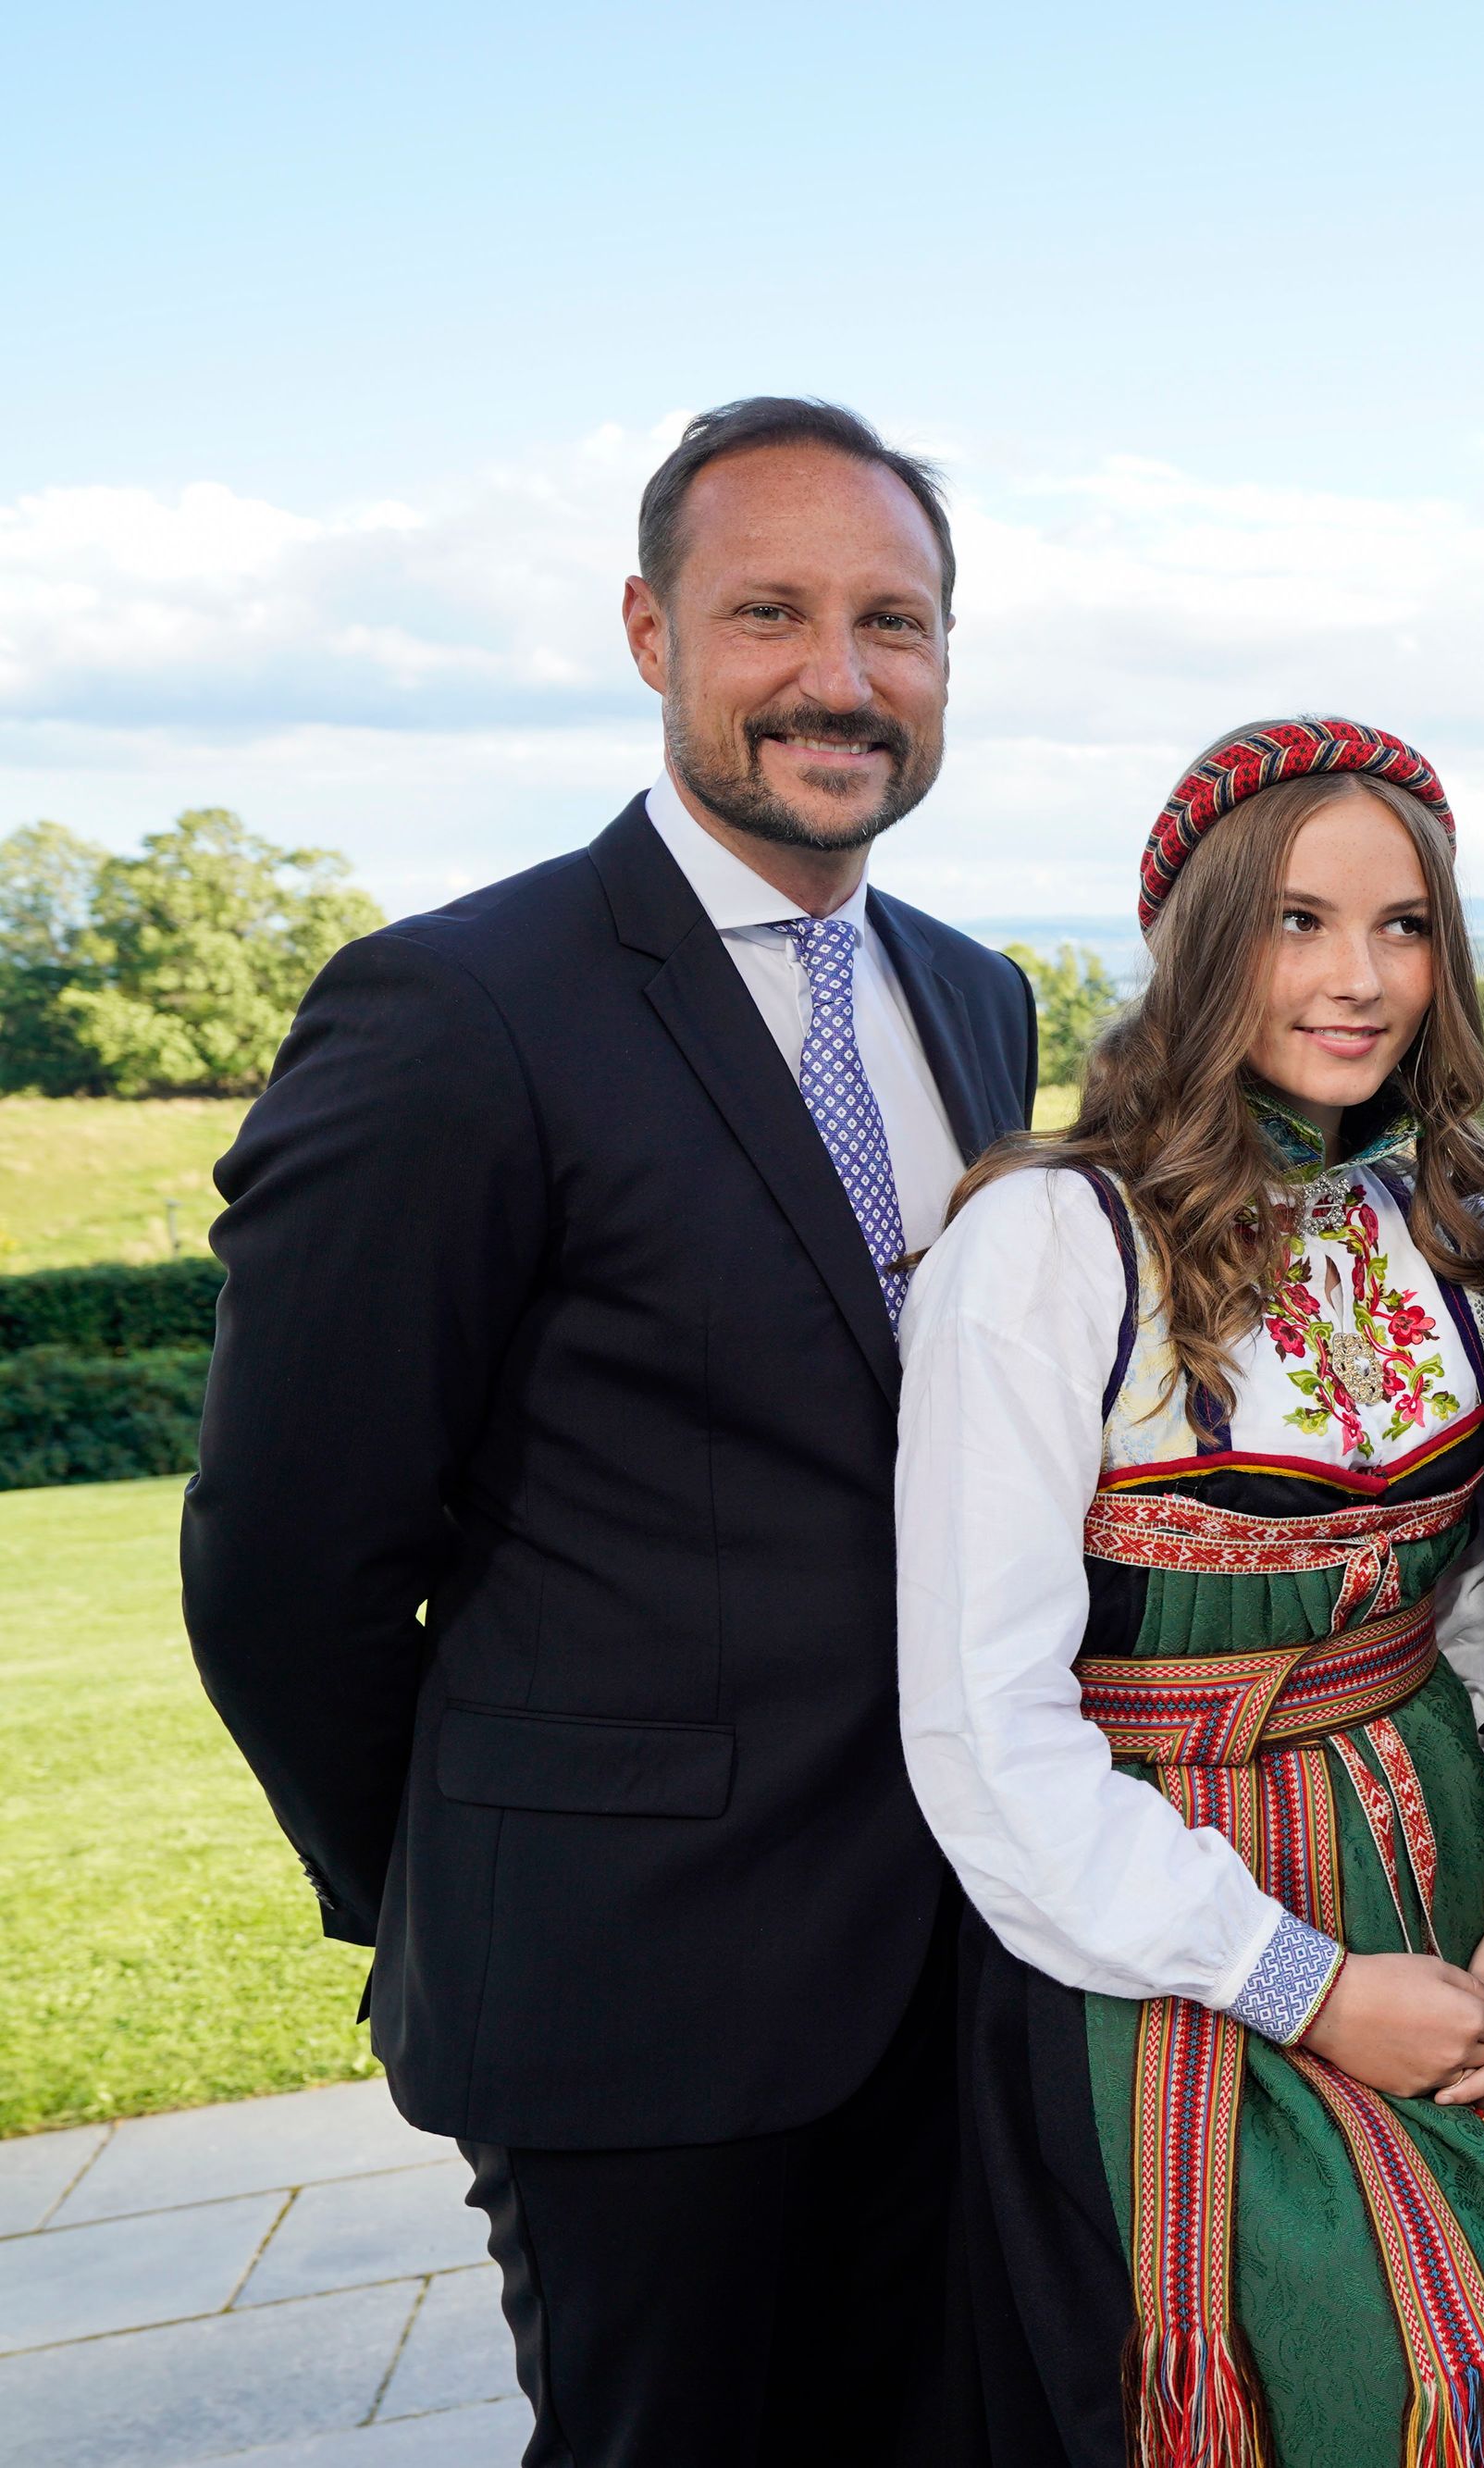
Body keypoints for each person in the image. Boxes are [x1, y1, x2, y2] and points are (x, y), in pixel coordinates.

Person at [184, 397, 1037, 2463]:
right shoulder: (455, 1012)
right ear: (651, 631)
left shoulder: (977, 995)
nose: (839, 677)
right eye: (773, 612)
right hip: (628, 2007)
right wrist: (472, 1876)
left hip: (968, 1984)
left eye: (893, 622)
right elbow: (285, 1559)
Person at [896, 717, 1484, 2465]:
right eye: (1299, 923)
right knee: (1441, 2401)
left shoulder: (1446, 1223)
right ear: (1198, 940)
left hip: (1452, 1899)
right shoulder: (1045, 1247)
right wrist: (1304, 1983)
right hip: (1165, 1935)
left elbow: (1481, 1619)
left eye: (1404, 926)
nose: (1361, 978)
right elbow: (980, 1728)